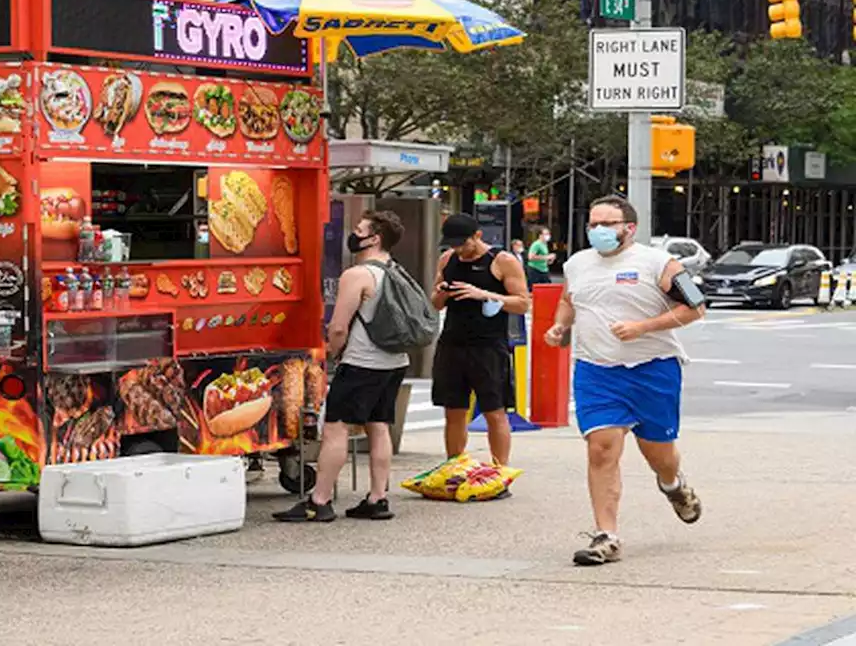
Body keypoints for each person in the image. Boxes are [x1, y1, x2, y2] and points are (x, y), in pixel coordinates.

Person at [544, 195, 705, 567]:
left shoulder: (659, 263)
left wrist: (642, 327)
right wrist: (560, 324)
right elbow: (570, 299)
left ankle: (673, 484)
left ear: (628, 228)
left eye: (606, 224)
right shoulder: (577, 264)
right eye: (592, 224)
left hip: (653, 367)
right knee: (601, 448)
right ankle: (607, 536)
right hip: (596, 370)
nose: (597, 231)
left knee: (659, 455)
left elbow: (696, 307)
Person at [274, 211, 409, 523]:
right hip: (395, 361)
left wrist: (333, 353)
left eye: (359, 230)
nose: (354, 233)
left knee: (336, 428)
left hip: (362, 362)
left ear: (374, 238)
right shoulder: (396, 270)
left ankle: (318, 501)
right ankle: (378, 498)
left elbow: (338, 327)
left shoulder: (357, 275)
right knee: (379, 426)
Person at [431, 214, 530, 467]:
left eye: (463, 244)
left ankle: (500, 470)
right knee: (453, 410)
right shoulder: (448, 259)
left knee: (494, 411)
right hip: (453, 342)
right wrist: (442, 293)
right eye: (454, 245)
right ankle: (453, 465)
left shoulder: (501, 261)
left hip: (488, 345)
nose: (459, 250)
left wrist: (483, 294)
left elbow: (522, 303)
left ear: (478, 236)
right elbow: (435, 302)